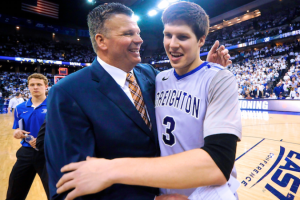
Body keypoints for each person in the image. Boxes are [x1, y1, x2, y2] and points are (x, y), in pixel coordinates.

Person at [45, 2, 231, 200]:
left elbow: (182, 89)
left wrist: (204, 70)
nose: (140, 40)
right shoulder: (67, 92)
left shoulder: (150, 74)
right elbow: (70, 187)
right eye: (128, 34)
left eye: (138, 32)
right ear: (101, 41)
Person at [6, 73, 49, 200]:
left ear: (46, 86)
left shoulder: (55, 105)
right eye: (32, 85)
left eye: (39, 84)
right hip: (26, 153)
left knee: (55, 192)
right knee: (14, 191)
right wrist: (17, 132)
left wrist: (43, 141)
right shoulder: (20, 108)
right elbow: (18, 127)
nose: (35, 87)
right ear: (28, 87)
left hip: (48, 153)